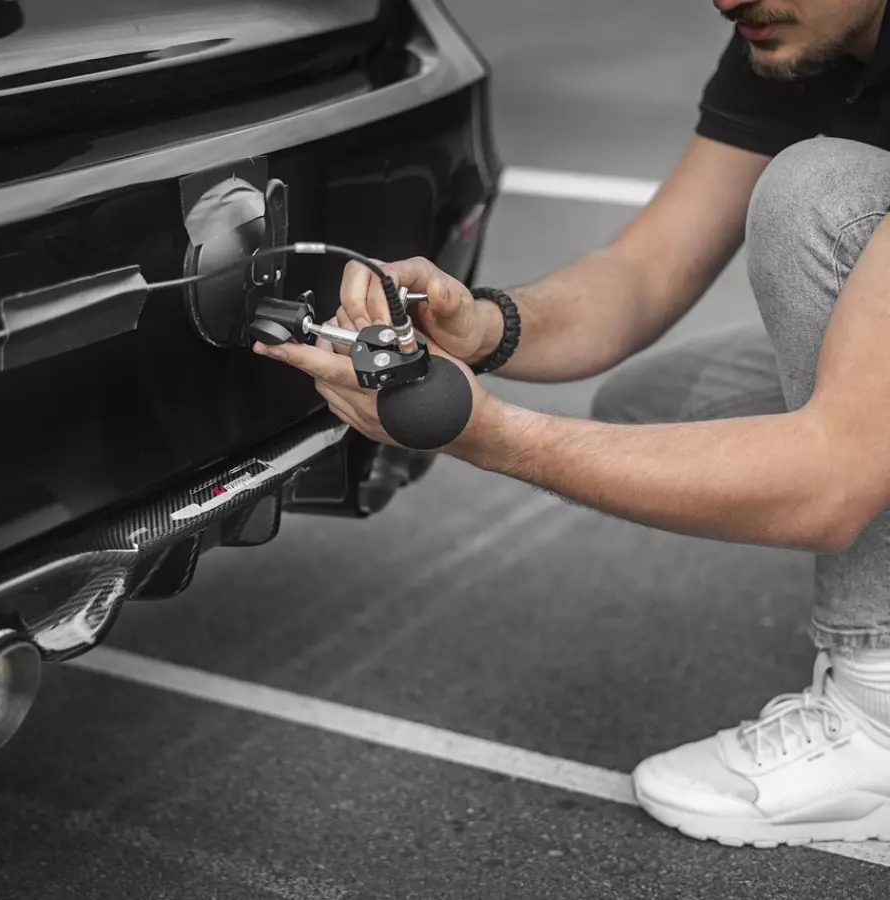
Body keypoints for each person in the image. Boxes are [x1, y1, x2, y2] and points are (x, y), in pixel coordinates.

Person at [253, 0, 890, 847]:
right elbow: (640, 272)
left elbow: (832, 484)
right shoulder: (798, 35)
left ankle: (878, 713)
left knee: (822, 194)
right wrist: (480, 323)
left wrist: (491, 435)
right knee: (665, 404)